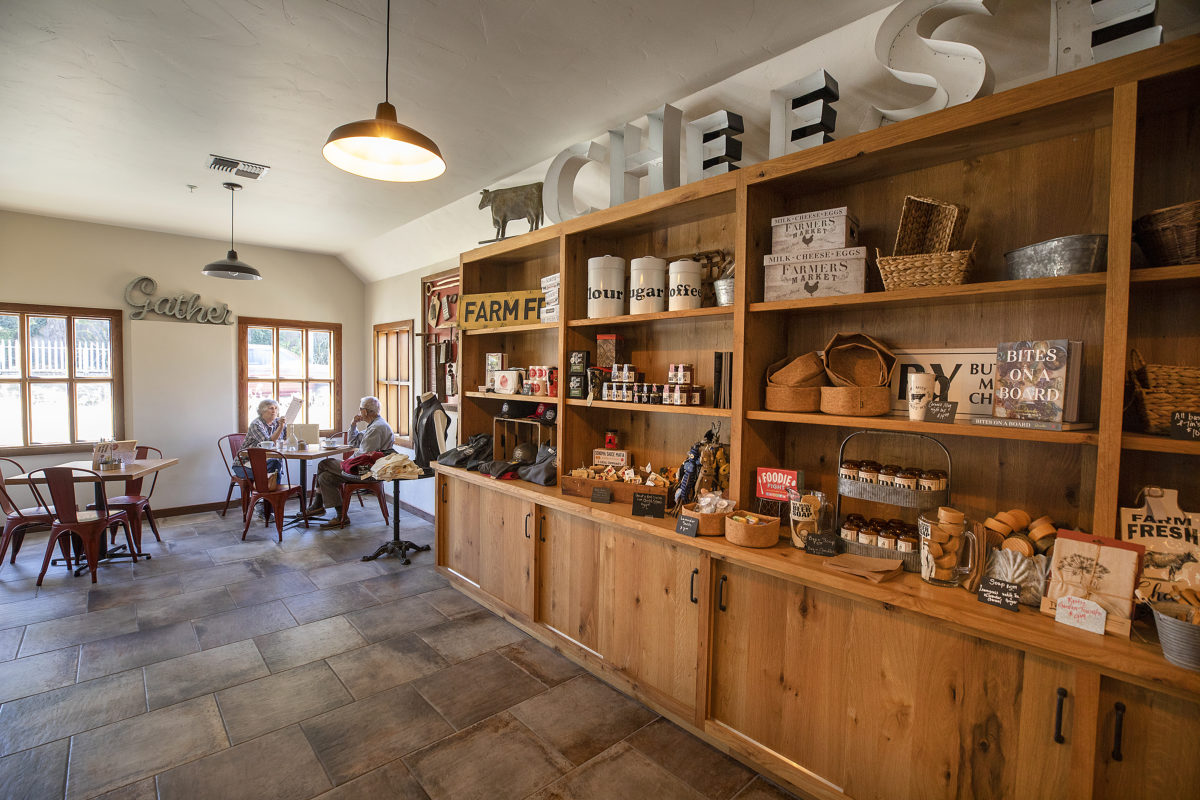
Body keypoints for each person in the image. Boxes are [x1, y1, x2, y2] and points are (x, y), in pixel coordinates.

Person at [303, 395, 394, 529]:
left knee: (324, 464)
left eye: (360, 409)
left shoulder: (376, 428)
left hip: (367, 471)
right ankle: (341, 516)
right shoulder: (375, 425)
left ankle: (318, 505)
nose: (359, 411)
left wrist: (347, 462)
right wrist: (353, 424)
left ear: (364, 411)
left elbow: (364, 455)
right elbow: (353, 442)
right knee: (325, 477)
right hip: (366, 467)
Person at [235, 398, 286, 480]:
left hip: (263, 462)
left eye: (276, 408)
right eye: (271, 408)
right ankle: (268, 491)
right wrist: (281, 427)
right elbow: (268, 444)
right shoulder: (256, 424)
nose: (274, 411)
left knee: (275, 466)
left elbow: (287, 438)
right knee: (274, 468)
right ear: (262, 411)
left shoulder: (278, 422)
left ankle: (269, 490)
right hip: (244, 465)